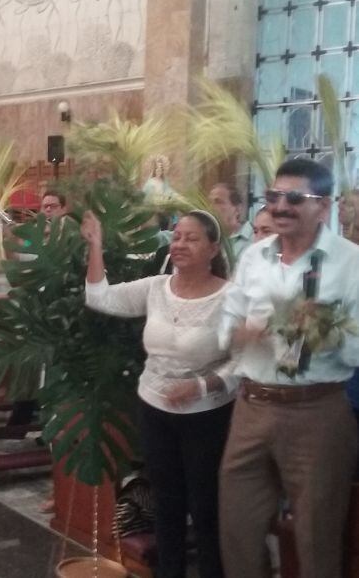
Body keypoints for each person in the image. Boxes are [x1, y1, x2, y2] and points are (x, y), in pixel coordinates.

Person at [218, 158, 359, 578]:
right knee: (237, 529)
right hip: (253, 406)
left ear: (324, 206)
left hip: (317, 412)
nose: (280, 206)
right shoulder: (254, 256)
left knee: (317, 538)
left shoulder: (351, 263)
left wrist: (322, 331)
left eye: (294, 198)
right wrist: (244, 331)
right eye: (273, 196)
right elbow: (226, 324)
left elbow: (356, 351)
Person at [82, 209, 236, 578]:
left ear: (213, 247)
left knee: (205, 508)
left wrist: (201, 385)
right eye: (176, 236)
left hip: (207, 415)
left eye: (191, 238)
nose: (180, 244)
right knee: (166, 505)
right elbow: (99, 297)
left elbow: (245, 361)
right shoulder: (155, 288)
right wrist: (96, 246)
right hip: (154, 410)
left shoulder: (231, 297)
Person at [209, 182, 253, 261]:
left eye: (218, 202)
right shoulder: (210, 240)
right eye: (209, 202)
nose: (210, 207)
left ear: (237, 208)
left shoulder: (255, 238)